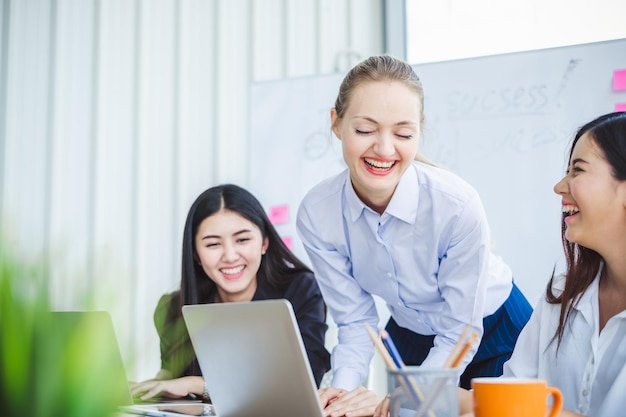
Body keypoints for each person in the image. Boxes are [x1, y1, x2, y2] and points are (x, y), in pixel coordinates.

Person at [296, 55, 533, 416]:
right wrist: (340, 392)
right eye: (364, 130)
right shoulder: (318, 214)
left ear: (419, 132)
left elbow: (459, 331)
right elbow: (356, 322)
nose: (385, 149)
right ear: (336, 123)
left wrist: (419, 394)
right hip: (410, 336)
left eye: (403, 134)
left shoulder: (456, 205)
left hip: (494, 330)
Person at [457, 111, 626, 417]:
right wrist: (426, 395)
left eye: (578, 170)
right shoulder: (564, 292)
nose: (559, 187)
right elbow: (513, 393)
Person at [131, 184, 331, 401]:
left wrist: (198, 385)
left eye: (242, 240)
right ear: (196, 254)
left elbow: (303, 383)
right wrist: (148, 387)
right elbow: (172, 375)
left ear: (264, 242)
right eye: (213, 244)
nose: (230, 256)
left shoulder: (301, 290)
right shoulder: (173, 307)